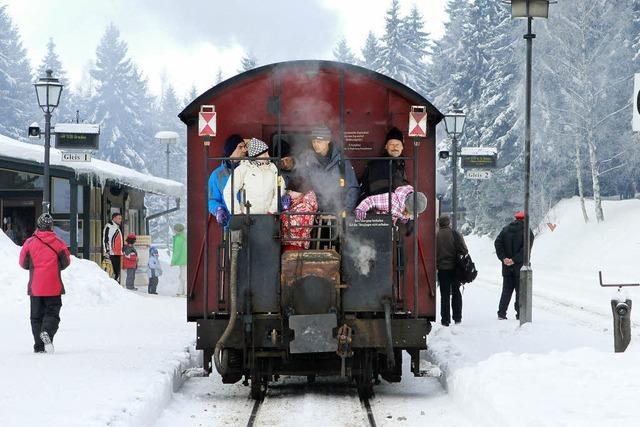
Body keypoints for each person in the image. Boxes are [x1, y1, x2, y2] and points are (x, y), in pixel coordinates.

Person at [19, 213, 71, 353]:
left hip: (35, 287)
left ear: (38, 225)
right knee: (52, 313)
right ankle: (47, 332)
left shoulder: (29, 243)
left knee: (36, 317)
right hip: (53, 286)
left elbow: (23, 263)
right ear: (51, 226)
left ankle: (39, 346)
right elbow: (66, 262)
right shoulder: (58, 243)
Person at [298, 126, 359, 213]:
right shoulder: (309, 161)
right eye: (313, 141)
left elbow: (352, 188)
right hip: (317, 213)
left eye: (319, 141)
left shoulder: (342, 161)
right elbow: (307, 188)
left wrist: (345, 212)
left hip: (339, 211)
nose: (315, 145)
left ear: (328, 140)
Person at [223, 138, 281, 215]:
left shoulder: (273, 169)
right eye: (264, 154)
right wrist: (237, 213)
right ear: (256, 156)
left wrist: (272, 210)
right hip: (248, 219)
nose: (268, 156)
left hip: (269, 218)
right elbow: (228, 191)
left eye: (267, 153)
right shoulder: (243, 168)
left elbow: (280, 189)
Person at [494, 211, 535, 320]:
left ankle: (501, 313)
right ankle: (520, 314)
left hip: (506, 267)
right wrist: (515, 260)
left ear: (516, 218)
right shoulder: (527, 232)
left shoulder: (505, 230)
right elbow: (525, 250)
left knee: (506, 290)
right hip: (520, 267)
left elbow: (497, 243)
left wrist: (504, 258)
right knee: (520, 291)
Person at [360, 127, 409, 200]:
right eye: (391, 144)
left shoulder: (400, 163)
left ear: (402, 147)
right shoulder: (377, 165)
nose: (394, 147)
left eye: (397, 144)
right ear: (386, 146)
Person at [208, 134, 248, 225]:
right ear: (231, 151)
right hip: (231, 224)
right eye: (240, 147)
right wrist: (218, 209)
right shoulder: (217, 175)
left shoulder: (250, 170)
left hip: (253, 222)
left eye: (244, 147)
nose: (244, 150)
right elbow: (212, 200)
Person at [436, 215, 468, 326]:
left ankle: (445, 320)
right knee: (456, 293)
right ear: (449, 223)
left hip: (442, 269)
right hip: (455, 269)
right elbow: (464, 250)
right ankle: (457, 318)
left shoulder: (436, 235)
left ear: (439, 224)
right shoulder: (455, 234)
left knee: (444, 295)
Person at [354, 185, 427, 225]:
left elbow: (407, 216)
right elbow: (371, 200)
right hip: (373, 221)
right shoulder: (391, 200)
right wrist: (361, 209)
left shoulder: (413, 210)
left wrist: (404, 218)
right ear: (405, 202)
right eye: (407, 211)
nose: (408, 214)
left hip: (387, 226)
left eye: (411, 213)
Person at [103, 213, 123, 283]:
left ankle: (115, 286)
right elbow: (105, 240)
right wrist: (107, 251)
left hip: (117, 253)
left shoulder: (116, 227)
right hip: (112, 254)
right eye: (119, 218)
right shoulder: (109, 226)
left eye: (121, 218)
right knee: (112, 272)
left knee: (117, 272)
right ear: (114, 218)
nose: (121, 220)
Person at [171, 223, 187, 296]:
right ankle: (180, 291)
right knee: (183, 276)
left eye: (174, 229)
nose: (173, 231)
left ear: (177, 230)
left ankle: (185, 292)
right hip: (186, 259)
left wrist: (173, 261)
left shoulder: (179, 238)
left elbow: (177, 251)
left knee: (183, 277)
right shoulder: (185, 236)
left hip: (183, 260)